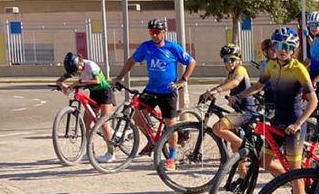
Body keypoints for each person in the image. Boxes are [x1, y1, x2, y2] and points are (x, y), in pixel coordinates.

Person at [232, 26, 317, 194]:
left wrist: (298, 123)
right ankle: (294, 184)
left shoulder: (298, 69)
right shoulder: (271, 65)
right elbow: (258, 85)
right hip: (278, 122)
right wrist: (240, 95)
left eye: (287, 47)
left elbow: (313, 101)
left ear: (293, 49)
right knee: (264, 161)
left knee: (295, 170)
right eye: (279, 46)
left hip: (294, 124)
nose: (283, 50)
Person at [112, 18, 196, 171]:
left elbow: (191, 62)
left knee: (170, 125)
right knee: (136, 113)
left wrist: (183, 80)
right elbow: (131, 61)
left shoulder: (172, 47)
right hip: (151, 89)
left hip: (168, 91)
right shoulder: (146, 47)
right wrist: (119, 77)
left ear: (164, 32)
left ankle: (171, 158)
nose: (154, 35)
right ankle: (151, 140)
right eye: (151, 32)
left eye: (157, 32)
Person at [204, 43, 256, 173]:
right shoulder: (231, 73)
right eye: (226, 60)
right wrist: (210, 92)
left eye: (232, 59)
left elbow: (235, 82)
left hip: (246, 111)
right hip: (239, 110)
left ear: (239, 60)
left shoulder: (240, 70)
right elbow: (225, 83)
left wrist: (218, 90)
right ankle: (243, 176)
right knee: (234, 146)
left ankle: (247, 148)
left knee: (218, 128)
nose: (229, 63)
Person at [55, 51, 115, 162]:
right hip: (94, 94)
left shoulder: (90, 65)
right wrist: (62, 85)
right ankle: (90, 152)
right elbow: (59, 80)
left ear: (80, 62)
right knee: (87, 123)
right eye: (74, 72)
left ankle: (111, 153)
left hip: (105, 92)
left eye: (77, 70)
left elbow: (97, 80)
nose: (76, 73)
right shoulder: (74, 68)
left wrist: (78, 82)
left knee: (104, 123)